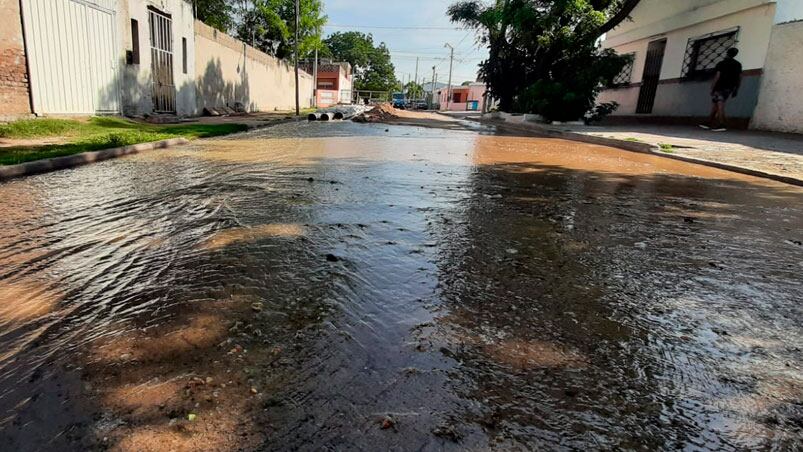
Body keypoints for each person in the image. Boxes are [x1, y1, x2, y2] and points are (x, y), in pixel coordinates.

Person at [700, 47, 742, 132]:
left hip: (720, 87)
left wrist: (712, 87)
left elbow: (717, 76)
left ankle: (721, 123)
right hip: (729, 87)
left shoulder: (721, 63)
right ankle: (709, 122)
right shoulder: (738, 64)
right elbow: (739, 77)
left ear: (727, 53)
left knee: (719, 104)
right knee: (716, 104)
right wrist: (736, 89)